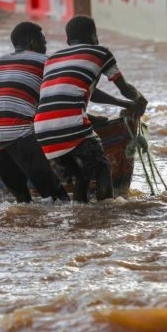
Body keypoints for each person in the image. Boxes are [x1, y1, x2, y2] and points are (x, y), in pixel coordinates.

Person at [35, 15, 148, 202]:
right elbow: (124, 88)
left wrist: (122, 104)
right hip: (72, 124)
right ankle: (106, 213)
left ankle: (81, 215)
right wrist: (138, 100)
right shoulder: (100, 52)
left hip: (42, 130)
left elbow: (85, 91)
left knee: (83, 174)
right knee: (103, 168)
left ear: (68, 40)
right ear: (94, 36)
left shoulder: (52, 59)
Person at [0, 22, 70, 203]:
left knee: (22, 201)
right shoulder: (46, 62)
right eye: (44, 43)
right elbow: (59, 100)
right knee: (57, 197)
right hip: (19, 135)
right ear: (34, 43)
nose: (45, 47)